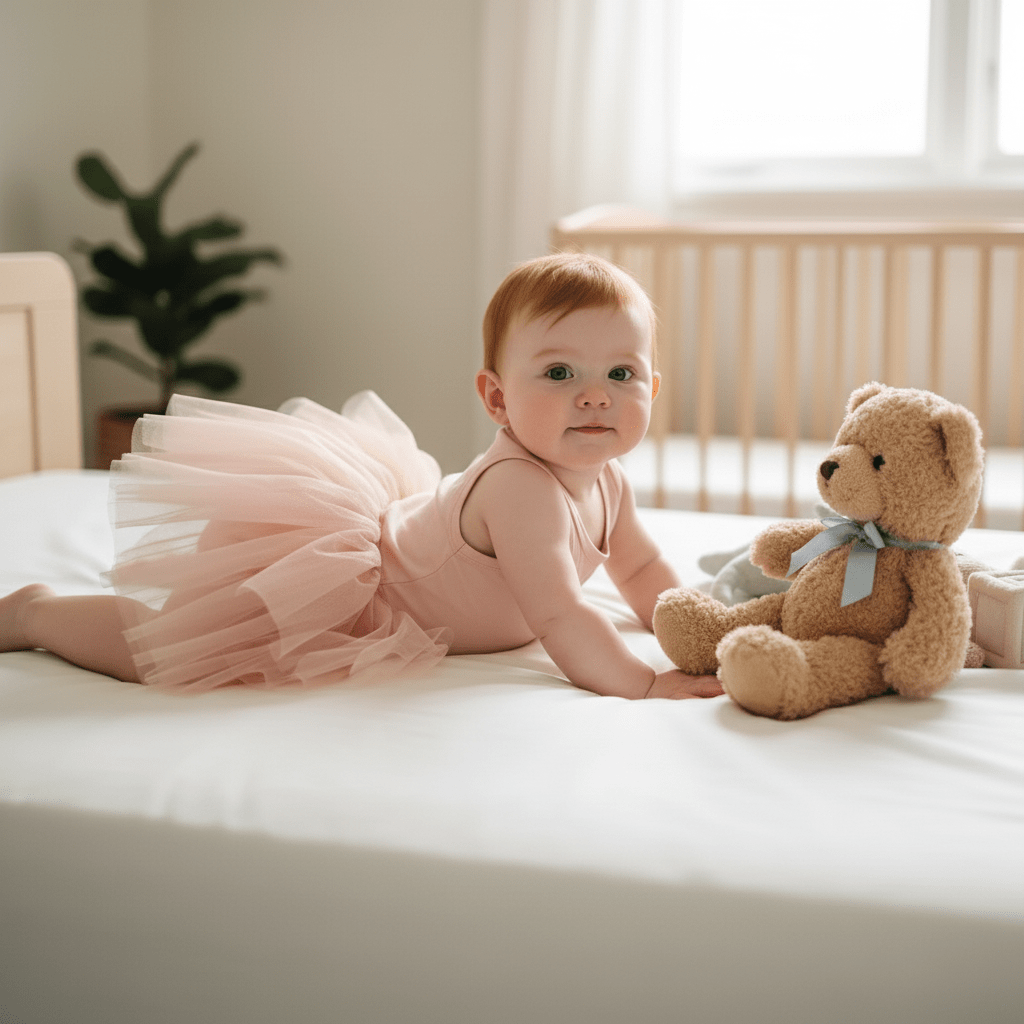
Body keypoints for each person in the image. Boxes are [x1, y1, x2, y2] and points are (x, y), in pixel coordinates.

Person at [0, 252, 721, 701]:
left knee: (184, 643)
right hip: (359, 592)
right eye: (559, 372)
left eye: (620, 373)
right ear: (497, 399)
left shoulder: (608, 481)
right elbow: (561, 615)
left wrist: (699, 629)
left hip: (403, 545)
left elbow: (640, 566)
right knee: (170, 648)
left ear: (651, 392)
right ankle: (37, 611)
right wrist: (644, 681)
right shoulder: (521, 489)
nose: (595, 394)